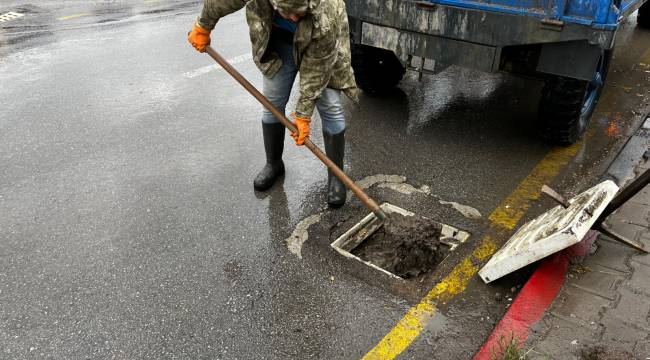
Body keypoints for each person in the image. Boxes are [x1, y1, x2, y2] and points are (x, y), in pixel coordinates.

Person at [187, 0, 358, 207]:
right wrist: (204, 24)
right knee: (272, 105)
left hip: (322, 45)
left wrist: (303, 114)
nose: (295, 18)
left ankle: (336, 176)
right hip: (279, 43)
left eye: (299, 13)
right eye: (289, 13)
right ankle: (274, 164)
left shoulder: (324, 11)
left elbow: (317, 70)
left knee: (331, 109)